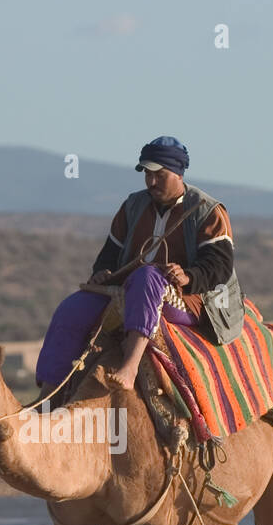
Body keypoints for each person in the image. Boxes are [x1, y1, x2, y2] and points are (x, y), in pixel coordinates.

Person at [34, 136, 246, 395]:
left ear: (178, 173)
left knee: (148, 276)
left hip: (188, 299)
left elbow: (220, 267)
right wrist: (102, 274)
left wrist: (188, 276)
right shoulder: (133, 205)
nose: (151, 181)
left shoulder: (207, 210)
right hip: (129, 290)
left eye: (159, 174)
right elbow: (109, 255)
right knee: (72, 307)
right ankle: (48, 395)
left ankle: (130, 368)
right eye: (147, 173)